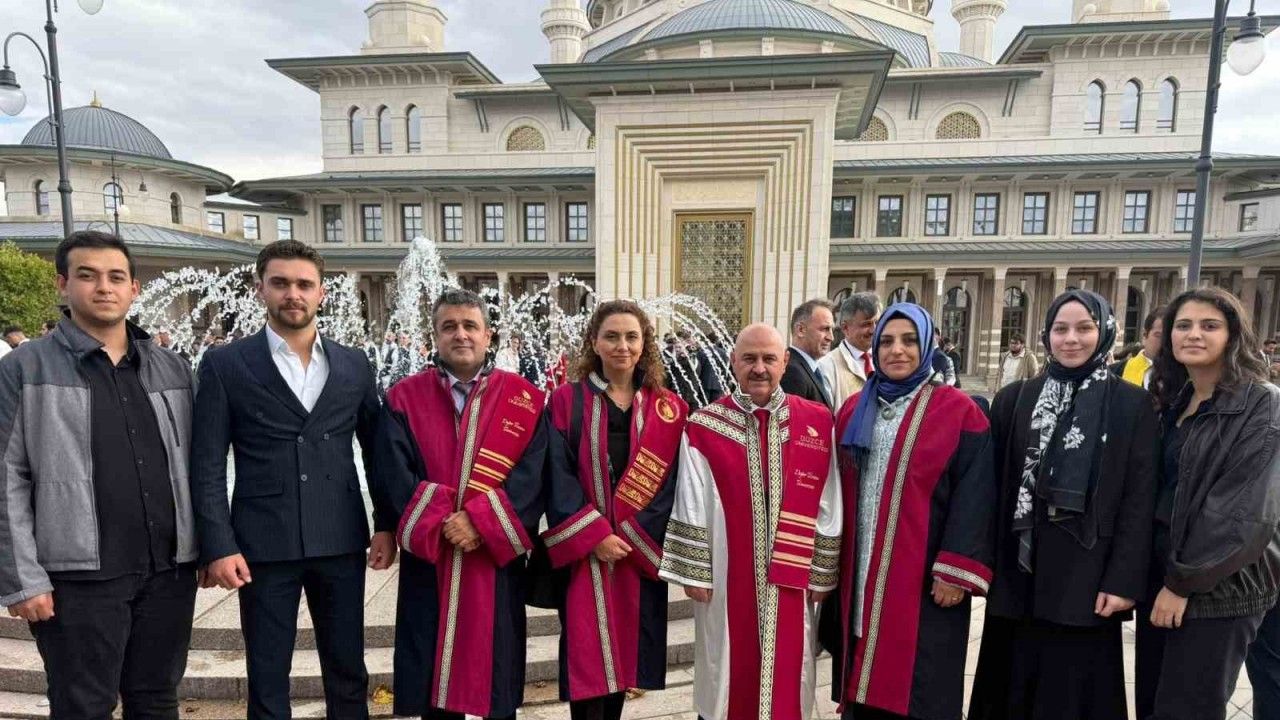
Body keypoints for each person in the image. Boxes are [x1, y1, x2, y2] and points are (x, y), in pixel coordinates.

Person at [0, 231, 198, 718]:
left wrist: (208, 546)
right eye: (87, 276)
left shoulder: (172, 368)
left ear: (134, 288)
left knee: (157, 700)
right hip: (77, 578)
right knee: (83, 706)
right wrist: (23, 579)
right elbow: (6, 478)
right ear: (63, 284)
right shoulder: (25, 368)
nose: (104, 287)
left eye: (116, 277)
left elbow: (200, 465)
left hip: (167, 572)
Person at [191, 240, 387, 720]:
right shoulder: (225, 364)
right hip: (262, 543)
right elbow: (207, 463)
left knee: (348, 670)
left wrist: (386, 523)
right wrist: (218, 544)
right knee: (267, 674)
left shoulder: (354, 363)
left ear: (322, 292)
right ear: (260, 289)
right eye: (280, 283)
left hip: (340, 538)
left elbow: (377, 452)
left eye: (304, 284)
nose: (292, 294)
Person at [969, 289, 1158, 720]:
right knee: (1012, 686)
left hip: (1088, 578)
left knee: (1073, 691)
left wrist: (1123, 580)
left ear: (1105, 332)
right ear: (1046, 335)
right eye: (1060, 329)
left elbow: (1139, 499)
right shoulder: (1015, 399)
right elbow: (991, 490)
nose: (1071, 339)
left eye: (1084, 328)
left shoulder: (1130, 405)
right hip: (1021, 574)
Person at [370, 288, 548, 720]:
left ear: (489, 335)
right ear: (435, 335)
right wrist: (444, 523)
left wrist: (480, 522)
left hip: (494, 560)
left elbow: (534, 476)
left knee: (497, 680)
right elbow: (391, 473)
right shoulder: (403, 398)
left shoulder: (525, 399)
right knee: (434, 678)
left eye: (470, 325)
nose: (461, 334)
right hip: (432, 560)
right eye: (449, 326)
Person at [660, 323, 841, 720]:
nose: (759, 368)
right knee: (725, 667)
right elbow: (690, 499)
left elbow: (829, 499)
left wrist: (822, 571)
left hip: (792, 579)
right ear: (733, 361)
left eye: (769, 359)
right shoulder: (705, 426)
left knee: (791, 673)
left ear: (785, 362)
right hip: (728, 576)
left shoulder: (815, 422)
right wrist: (695, 573)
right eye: (749, 359)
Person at [824, 303, 994, 720]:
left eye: (909, 340)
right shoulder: (853, 411)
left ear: (928, 344)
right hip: (861, 569)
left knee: (919, 685)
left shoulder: (959, 412)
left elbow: (976, 496)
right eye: (885, 341)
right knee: (862, 672)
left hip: (923, 578)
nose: (896, 350)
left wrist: (955, 570)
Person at [1134, 287, 1280, 720]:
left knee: (1187, 709)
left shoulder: (1261, 403)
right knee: (1154, 704)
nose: (1193, 334)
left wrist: (1182, 584)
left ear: (1233, 335)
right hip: (1166, 577)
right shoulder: (1177, 400)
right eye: (1183, 325)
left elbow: (1241, 514)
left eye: (1209, 325)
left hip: (1218, 589)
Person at [539, 300, 689, 720]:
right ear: (594, 342)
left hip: (637, 554)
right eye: (611, 336)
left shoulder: (668, 409)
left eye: (631, 337)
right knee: (587, 659)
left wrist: (632, 537)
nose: (622, 346)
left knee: (624, 661)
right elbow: (556, 473)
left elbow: (672, 484)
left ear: (644, 344)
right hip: (586, 554)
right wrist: (594, 536)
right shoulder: (566, 401)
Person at [818, 292, 882, 412]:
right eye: (867, 324)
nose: (874, 330)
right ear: (845, 328)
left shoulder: (887, 360)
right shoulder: (826, 367)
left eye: (877, 322)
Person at [781, 299, 836, 408]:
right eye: (825, 329)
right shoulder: (792, 371)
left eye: (831, 330)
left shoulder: (812, 368)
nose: (831, 337)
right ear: (801, 330)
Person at [1111, 306, 1165, 390]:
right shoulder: (1114, 373)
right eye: (1159, 336)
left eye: (1170, 337)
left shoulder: (1184, 376)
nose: (1165, 342)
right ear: (1145, 335)